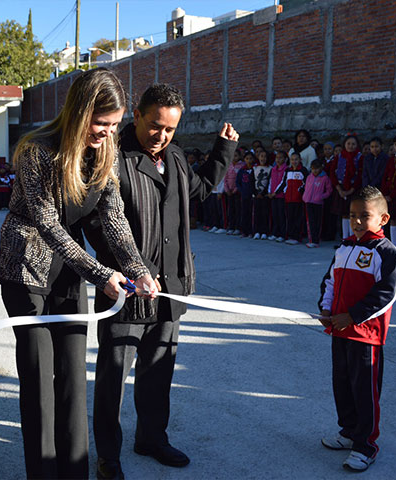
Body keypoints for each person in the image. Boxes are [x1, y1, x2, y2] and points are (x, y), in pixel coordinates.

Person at [0, 68, 157, 479]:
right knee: (39, 381)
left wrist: (137, 268)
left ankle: (74, 472)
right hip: (25, 267)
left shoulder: (105, 152)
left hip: (67, 269)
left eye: (114, 125)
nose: (108, 133)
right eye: (101, 123)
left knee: (72, 376)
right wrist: (101, 273)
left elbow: (114, 216)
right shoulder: (37, 150)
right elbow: (47, 224)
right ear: (79, 112)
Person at [85, 83, 238, 479]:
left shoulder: (175, 156)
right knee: (113, 378)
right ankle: (108, 455)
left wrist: (223, 150)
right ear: (136, 115)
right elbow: (94, 221)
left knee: (159, 370)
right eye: (155, 126)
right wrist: (127, 267)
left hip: (170, 287)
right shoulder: (111, 157)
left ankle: (152, 437)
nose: (161, 135)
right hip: (127, 290)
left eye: (170, 129)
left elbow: (199, 190)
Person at [318, 186, 396, 472]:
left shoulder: (386, 253)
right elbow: (330, 281)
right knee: (342, 385)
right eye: (352, 215)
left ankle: (365, 445)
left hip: (366, 336)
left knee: (364, 391)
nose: (356, 221)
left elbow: (385, 295)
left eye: (364, 216)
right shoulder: (344, 248)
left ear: (383, 219)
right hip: (339, 330)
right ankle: (348, 431)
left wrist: (352, 317)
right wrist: (326, 309)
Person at [330, 135, 362, 242]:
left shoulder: (359, 157)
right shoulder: (339, 157)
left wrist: (351, 190)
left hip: (354, 189)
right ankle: (345, 238)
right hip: (341, 188)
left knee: (352, 214)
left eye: (353, 144)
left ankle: (353, 238)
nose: (350, 146)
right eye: (348, 143)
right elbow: (332, 173)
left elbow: (360, 175)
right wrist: (339, 189)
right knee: (344, 214)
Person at [279, 151, 309, 245]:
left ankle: (297, 237)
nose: (294, 161)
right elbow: (284, 183)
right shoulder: (288, 170)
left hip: (299, 199)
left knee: (298, 218)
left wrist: (301, 192)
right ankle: (290, 235)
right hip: (289, 199)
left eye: (296, 159)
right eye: (292, 159)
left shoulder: (303, 170)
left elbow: (306, 184)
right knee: (290, 218)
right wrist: (277, 192)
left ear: (300, 160)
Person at [303, 159, 333, 247]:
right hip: (308, 201)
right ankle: (311, 240)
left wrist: (321, 196)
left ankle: (316, 241)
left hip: (318, 203)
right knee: (310, 221)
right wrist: (305, 196)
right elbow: (306, 187)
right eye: (313, 168)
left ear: (321, 168)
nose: (315, 170)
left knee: (317, 222)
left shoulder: (325, 178)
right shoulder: (309, 177)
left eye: (316, 168)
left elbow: (329, 190)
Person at [268, 150, 289, 241]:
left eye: (281, 158)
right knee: (275, 215)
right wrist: (269, 192)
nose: (278, 159)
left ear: (285, 159)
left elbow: (283, 183)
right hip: (273, 196)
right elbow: (270, 181)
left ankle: (282, 234)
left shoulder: (286, 169)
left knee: (281, 215)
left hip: (281, 196)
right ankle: (275, 233)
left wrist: (275, 193)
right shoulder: (273, 169)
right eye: (277, 158)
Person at [224, 148, 244, 234]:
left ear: (239, 156)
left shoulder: (242, 165)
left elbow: (240, 179)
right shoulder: (228, 165)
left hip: (237, 191)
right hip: (229, 191)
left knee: (238, 210)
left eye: (235, 156)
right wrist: (227, 189)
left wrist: (236, 189)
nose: (233, 157)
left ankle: (238, 227)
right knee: (231, 210)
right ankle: (231, 226)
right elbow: (225, 178)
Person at [253, 149, 272, 239]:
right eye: (261, 156)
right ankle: (257, 231)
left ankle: (264, 231)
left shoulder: (270, 168)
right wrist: (256, 193)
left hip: (265, 195)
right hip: (256, 194)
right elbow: (252, 181)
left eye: (265, 156)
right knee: (257, 213)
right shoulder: (255, 168)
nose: (263, 158)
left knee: (265, 213)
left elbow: (269, 182)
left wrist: (263, 193)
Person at [236, 151, 256, 237]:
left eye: (251, 158)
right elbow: (238, 182)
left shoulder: (255, 169)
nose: (249, 160)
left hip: (253, 195)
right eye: (247, 159)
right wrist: (241, 190)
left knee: (252, 213)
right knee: (244, 213)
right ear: (244, 160)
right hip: (244, 195)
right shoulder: (242, 170)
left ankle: (251, 231)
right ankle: (244, 231)